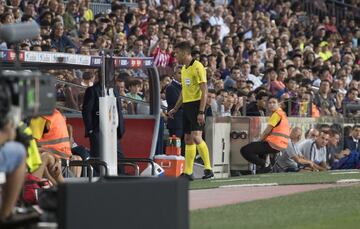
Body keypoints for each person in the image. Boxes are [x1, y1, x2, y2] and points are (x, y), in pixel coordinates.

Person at [168, 41, 214, 180]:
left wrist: (201, 111)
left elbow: (204, 89)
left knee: (196, 136)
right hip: (187, 106)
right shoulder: (184, 69)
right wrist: (175, 108)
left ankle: (208, 169)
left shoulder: (198, 66)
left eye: (176, 53)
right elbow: (184, 90)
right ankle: (188, 172)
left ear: (184, 52)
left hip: (196, 105)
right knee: (188, 139)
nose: (175, 55)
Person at [82, 71, 125, 173]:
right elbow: (86, 111)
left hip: (114, 130)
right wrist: (91, 130)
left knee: (119, 157)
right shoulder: (92, 90)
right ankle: (98, 180)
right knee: (99, 158)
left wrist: (120, 129)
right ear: (100, 76)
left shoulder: (114, 89)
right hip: (98, 131)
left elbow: (118, 109)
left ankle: (121, 180)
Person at [240, 96, 290, 173]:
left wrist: (258, 141)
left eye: (274, 102)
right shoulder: (283, 114)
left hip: (274, 143)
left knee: (245, 150)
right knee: (259, 149)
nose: (271, 104)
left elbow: (266, 131)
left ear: (279, 104)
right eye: (270, 103)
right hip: (281, 144)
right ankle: (263, 169)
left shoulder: (276, 114)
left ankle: (265, 165)